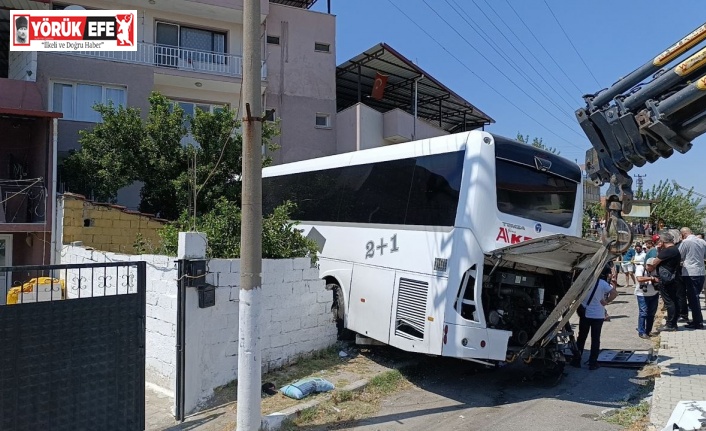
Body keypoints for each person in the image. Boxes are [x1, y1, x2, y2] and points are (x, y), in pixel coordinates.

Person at [572, 265, 618, 370]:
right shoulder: (602, 283)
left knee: (581, 338)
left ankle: (577, 360)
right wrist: (607, 301)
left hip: (585, 314)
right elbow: (614, 293)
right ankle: (593, 363)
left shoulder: (584, 283)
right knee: (595, 339)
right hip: (598, 315)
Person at [652, 231, 684, 332]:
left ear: (663, 240)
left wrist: (658, 249)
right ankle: (673, 323)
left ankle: (670, 324)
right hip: (674, 279)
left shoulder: (667, 251)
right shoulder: (675, 249)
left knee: (669, 301)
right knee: (673, 300)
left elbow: (654, 262)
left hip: (667, 280)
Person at [678, 227, 705, 329]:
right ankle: (696, 320)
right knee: (695, 297)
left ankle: (698, 322)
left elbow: (679, 255)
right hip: (701, 272)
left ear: (683, 234)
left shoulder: (686, 242)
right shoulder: (702, 241)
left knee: (693, 298)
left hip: (690, 272)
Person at [635, 258, 661, 338]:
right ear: (648, 265)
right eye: (652, 266)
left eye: (654, 267)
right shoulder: (640, 268)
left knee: (651, 314)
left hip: (654, 294)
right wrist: (652, 278)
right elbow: (639, 279)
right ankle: (641, 332)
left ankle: (648, 331)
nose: (653, 268)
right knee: (643, 313)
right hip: (642, 294)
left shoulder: (657, 269)